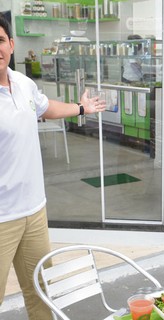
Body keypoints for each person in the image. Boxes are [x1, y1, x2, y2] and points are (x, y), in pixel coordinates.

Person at [0, 14, 106, 320]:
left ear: (11, 44)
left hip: (34, 210)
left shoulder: (23, 83)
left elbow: (46, 108)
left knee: (41, 292)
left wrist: (82, 107)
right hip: (2, 217)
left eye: (0, 40)